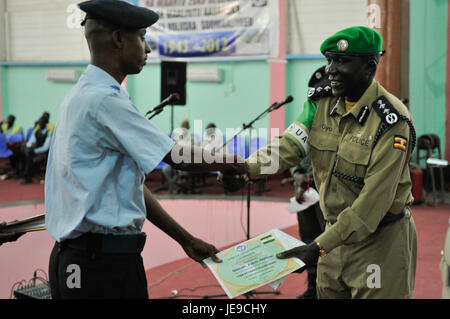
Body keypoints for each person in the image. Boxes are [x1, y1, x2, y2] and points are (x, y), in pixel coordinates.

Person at [45, 0, 243, 299]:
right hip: (96, 267)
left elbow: (128, 186)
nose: (148, 49)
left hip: (104, 260)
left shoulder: (85, 95)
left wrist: (185, 239)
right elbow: (176, 156)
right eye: (142, 37)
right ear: (119, 39)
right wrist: (232, 163)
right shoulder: (104, 100)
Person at [221, 26, 417, 298]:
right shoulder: (320, 104)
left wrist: (316, 247)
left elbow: (373, 203)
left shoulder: (391, 121)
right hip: (332, 241)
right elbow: (288, 146)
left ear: (369, 66)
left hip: (378, 243)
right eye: (330, 60)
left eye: (342, 61)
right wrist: (246, 170)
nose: (331, 70)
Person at [17, 116, 52, 184]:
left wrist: (33, 151)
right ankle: (21, 173)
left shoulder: (49, 132)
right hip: (35, 150)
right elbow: (30, 142)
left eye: (42, 123)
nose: (40, 124)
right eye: (39, 123)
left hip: (44, 153)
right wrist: (28, 148)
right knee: (22, 151)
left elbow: (45, 147)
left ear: (46, 124)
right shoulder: (36, 131)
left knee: (29, 157)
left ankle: (28, 177)